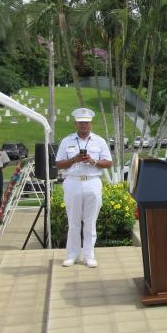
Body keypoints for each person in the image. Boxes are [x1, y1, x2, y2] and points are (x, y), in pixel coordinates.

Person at [55, 108, 112, 268]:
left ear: (90, 124)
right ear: (76, 123)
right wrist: (74, 159)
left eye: (86, 123)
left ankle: (89, 255)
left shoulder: (99, 141)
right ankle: (72, 255)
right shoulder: (67, 141)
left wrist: (92, 161)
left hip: (92, 182)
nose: (84, 125)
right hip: (72, 182)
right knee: (73, 221)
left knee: (90, 221)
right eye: (81, 123)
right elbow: (58, 164)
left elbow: (108, 162)